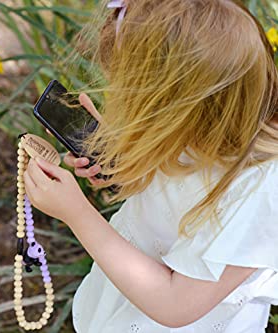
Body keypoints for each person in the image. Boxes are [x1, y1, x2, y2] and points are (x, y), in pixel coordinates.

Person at [22, 0, 278, 332]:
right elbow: (173, 190)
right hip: (129, 297)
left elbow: (174, 305)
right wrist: (120, 163)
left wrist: (77, 214)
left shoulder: (261, 193)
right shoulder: (199, 130)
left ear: (180, 104)